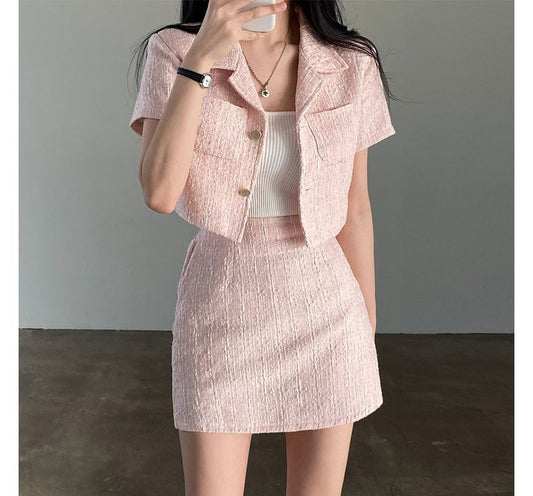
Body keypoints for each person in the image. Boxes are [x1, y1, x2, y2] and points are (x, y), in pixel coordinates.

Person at [129, 0, 396, 493]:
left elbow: (356, 209)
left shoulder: (351, 61)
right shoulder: (174, 50)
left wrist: (366, 331)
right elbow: (160, 194)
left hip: (328, 314)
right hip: (221, 309)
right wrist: (201, 58)